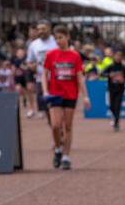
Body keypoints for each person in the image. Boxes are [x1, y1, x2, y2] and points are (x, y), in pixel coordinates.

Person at [41, 25, 91, 170]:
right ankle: (57, 149)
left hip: (70, 94)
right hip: (55, 93)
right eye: (56, 38)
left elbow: (80, 77)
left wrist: (86, 97)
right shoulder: (51, 55)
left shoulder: (75, 56)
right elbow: (44, 74)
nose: (58, 41)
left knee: (67, 126)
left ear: (68, 37)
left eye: (61, 38)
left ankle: (66, 157)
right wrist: (45, 91)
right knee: (55, 125)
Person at [27, 20, 58, 119]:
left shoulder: (56, 41)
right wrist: (31, 66)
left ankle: (59, 128)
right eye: (39, 29)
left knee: (56, 108)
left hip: (56, 79)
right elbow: (29, 61)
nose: (41, 31)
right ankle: (55, 129)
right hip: (41, 80)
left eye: (43, 29)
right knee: (46, 112)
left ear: (50, 29)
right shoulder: (33, 45)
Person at [102, 50, 125, 131]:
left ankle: (116, 123)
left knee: (118, 106)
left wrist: (124, 80)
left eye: (120, 56)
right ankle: (114, 118)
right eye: (117, 56)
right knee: (112, 106)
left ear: (121, 58)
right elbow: (102, 73)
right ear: (114, 57)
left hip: (120, 89)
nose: (118, 58)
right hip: (112, 88)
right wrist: (109, 75)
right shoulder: (111, 66)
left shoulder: (123, 67)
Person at [12, 48, 36, 117]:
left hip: (27, 78)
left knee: (29, 92)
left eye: (21, 53)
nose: (20, 54)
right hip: (19, 79)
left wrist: (28, 67)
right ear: (16, 54)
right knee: (18, 90)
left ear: (24, 53)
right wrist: (13, 78)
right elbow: (15, 69)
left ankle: (31, 108)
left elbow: (29, 68)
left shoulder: (27, 59)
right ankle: (19, 104)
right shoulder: (16, 61)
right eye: (18, 53)